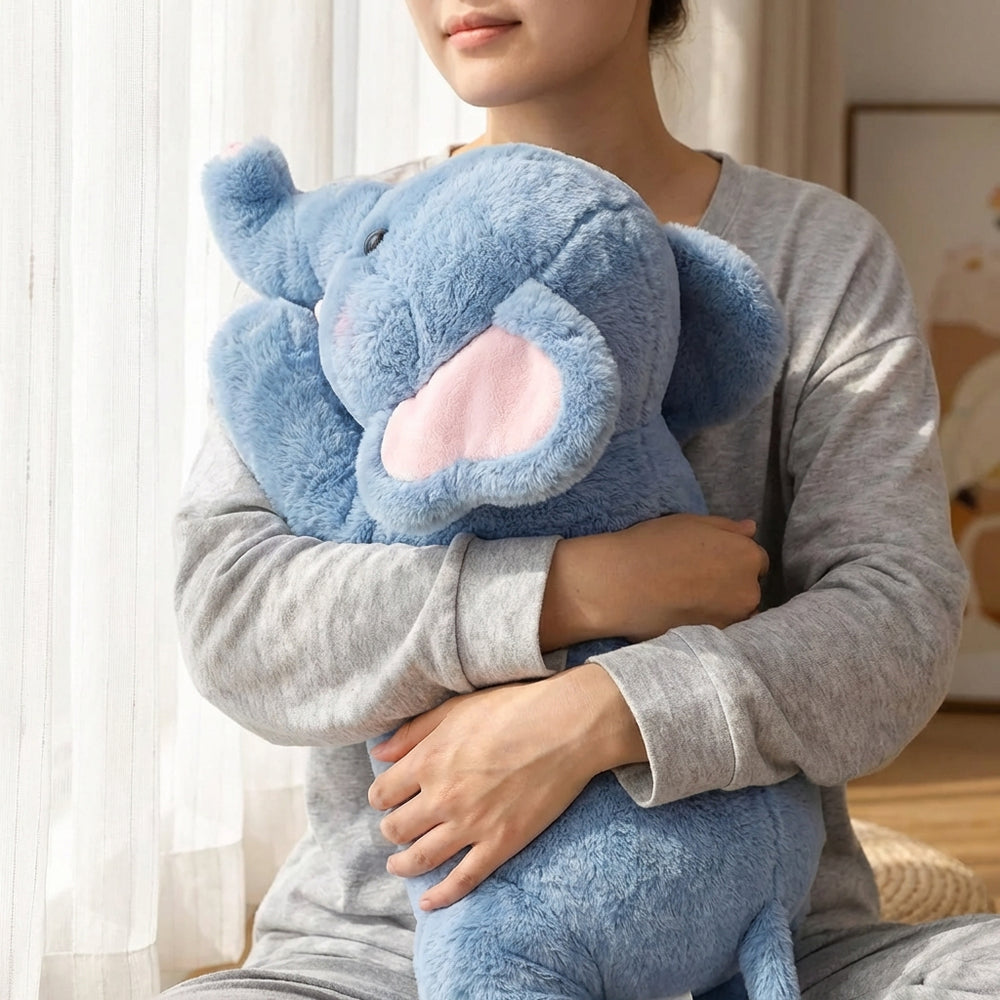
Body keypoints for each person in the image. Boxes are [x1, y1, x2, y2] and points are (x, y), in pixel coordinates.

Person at [164, 1, 1000, 997]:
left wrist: (601, 713)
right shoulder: (351, 255)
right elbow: (233, 616)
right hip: (382, 952)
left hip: (762, 949)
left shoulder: (814, 253)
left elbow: (897, 622)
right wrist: (571, 589)